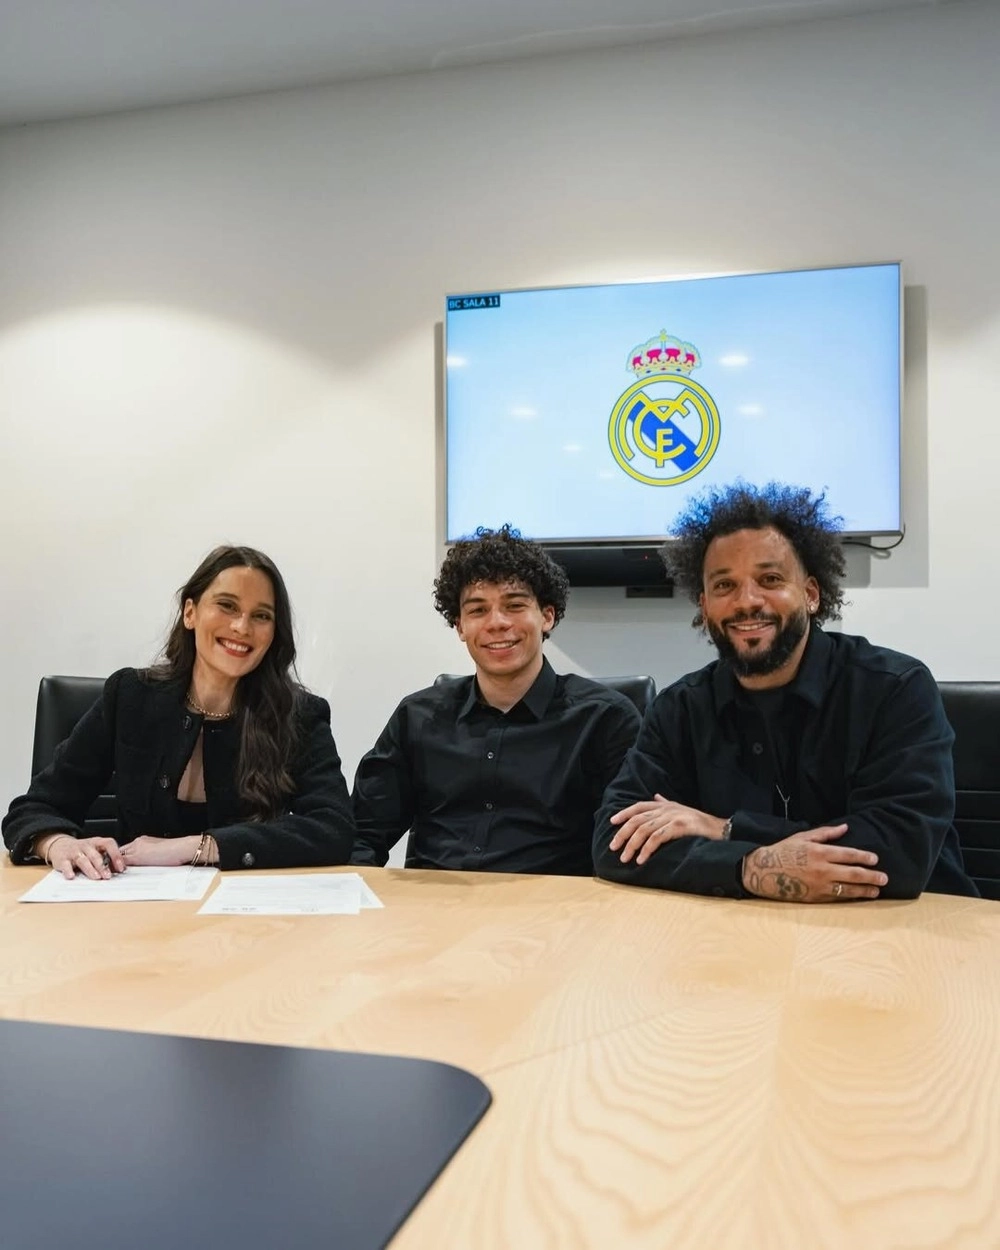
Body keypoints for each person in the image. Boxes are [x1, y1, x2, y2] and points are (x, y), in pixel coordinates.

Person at [593, 483, 976, 902]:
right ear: (704, 607)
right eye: (724, 586)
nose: (747, 601)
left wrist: (725, 829)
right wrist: (746, 868)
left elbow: (898, 855)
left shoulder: (895, 690)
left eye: (770, 579)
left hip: (904, 928)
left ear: (811, 595)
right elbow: (615, 844)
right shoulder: (679, 708)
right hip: (740, 932)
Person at [3, 545, 356, 879]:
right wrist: (57, 843)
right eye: (227, 606)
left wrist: (198, 847)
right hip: (130, 910)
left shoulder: (298, 715)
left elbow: (334, 828)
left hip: (242, 914)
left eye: (261, 616)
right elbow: (32, 809)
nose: (242, 627)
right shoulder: (129, 697)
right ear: (190, 613)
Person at [351, 525, 641, 874]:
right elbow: (362, 835)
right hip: (435, 903)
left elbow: (629, 845)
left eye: (514, 605)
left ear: (547, 616)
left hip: (554, 904)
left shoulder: (605, 720)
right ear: (460, 626)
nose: (497, 623)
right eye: (477, 610)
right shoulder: (417, 716)